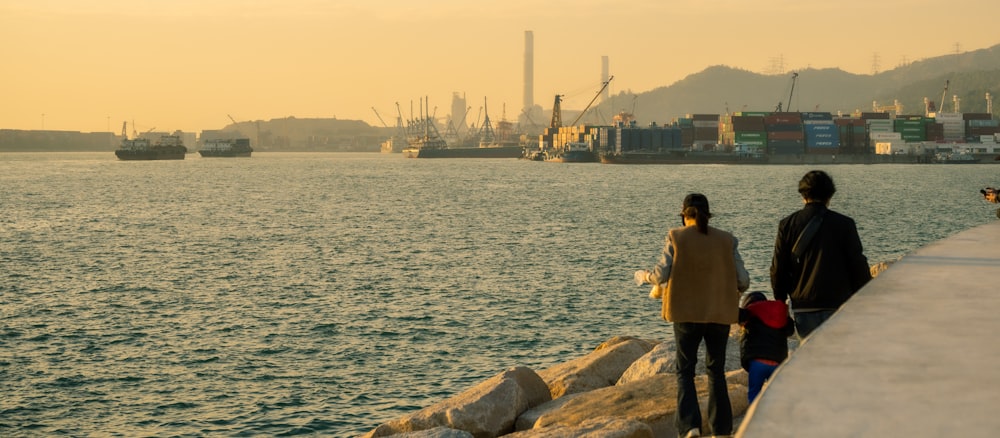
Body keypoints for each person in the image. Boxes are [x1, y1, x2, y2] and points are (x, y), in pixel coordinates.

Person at [635, 193, 750, 438]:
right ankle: (721, 430)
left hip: (686, 315)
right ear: (708, 214)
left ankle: (690, 427)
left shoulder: (676, 237)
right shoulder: (727, 240)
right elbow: (743, 280)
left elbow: (660, 275)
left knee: (685, 370)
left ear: (683, 214)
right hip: (719, 315)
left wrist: (642, 276)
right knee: (716, 371)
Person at [770, 170, 871, 340]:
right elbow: (857, 265)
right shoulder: (845, 224)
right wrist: (865, 298)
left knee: (811, 359)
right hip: (838, 304)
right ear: (830, 195)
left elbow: (777, 269)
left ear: (803, 195)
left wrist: (781, 303)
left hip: (803, 307)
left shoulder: (787, 225)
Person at [738, 291, 794, 404]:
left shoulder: (749, 315)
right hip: (777, 363)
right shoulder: (777, 315)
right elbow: (790, 330)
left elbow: (737, 316)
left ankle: (755, 420)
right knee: (776, 396)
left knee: (754, 395)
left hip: (757, 363)